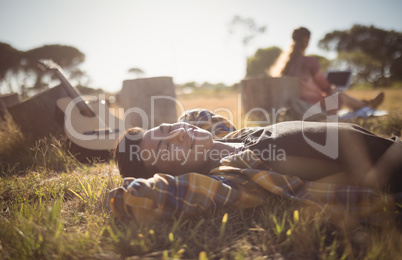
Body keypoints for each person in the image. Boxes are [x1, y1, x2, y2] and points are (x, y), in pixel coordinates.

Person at [110, 109, 402, 222]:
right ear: (173, 172)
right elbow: (159, 194)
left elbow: (196, 116)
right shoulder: (237, 177)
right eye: (165, 147)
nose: (178, 133)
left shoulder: (232, 136)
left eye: (165, 127)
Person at [269, 27, 384, 117]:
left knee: (335, 93)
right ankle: (366, 105)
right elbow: (325, 86)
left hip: (295, 106)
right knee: (338, 93)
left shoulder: (284, 66)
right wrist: (332, 90)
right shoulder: (309, 62)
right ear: (306, 40)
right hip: (312, 106)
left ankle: (365, 104)